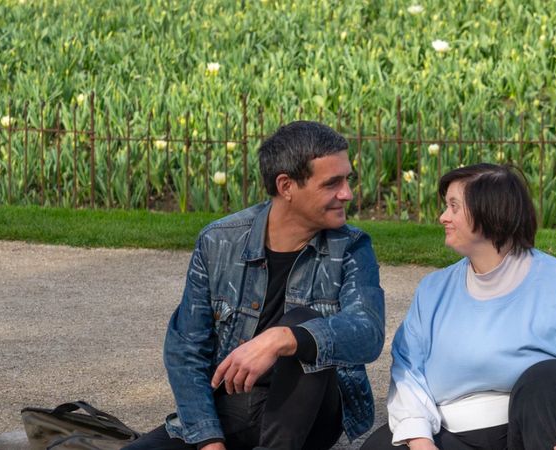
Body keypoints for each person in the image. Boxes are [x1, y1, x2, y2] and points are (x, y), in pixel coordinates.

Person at [124, 121, 385, 450]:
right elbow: (186, 350)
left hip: (310, 415)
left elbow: (367, 332)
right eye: (332, 183)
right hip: (231, 410)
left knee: (302, 321)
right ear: (286, 185)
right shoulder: (218, 242)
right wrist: (208, 440)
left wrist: (284, 338)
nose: (347, 193)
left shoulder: (351, 247)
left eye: (347, 180)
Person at [361, 163, 556, 450]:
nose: (442, 217)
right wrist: (421, 440)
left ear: (490, 211)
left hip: (543, 428)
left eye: (454, 207)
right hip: (456, 434)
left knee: (550, 377)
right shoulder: (432, 290)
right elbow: (408, 373)